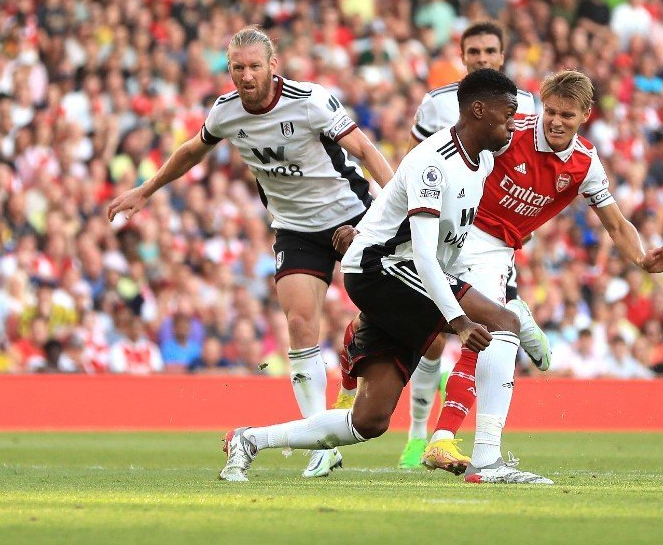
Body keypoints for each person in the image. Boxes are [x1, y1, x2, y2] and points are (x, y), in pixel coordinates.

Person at [340, 70, 663, 482]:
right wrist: (375, 226)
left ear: (585, 116)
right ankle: (479, 455)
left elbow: (616, 224)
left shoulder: (585, 165)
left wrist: (643, 260)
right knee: (494, 328)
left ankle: (470, 447)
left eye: (567, 115)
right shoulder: (508, 133)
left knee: (496, 332)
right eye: (550, 111)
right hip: (455, 232)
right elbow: (436, 166)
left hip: (494, 252)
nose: (555, 121)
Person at [109, 25, 393, 478]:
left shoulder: (310, 100)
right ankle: (321, 442)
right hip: (295, 229)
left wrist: (393, 208)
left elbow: (363, 149)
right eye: (237, 67)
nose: (245, 75)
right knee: (300, 323)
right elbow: (190, 151)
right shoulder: (225, 113)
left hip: (353, 217)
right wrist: (146, 190)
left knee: (389, 310)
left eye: (254, 66)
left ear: (272, 66)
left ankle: (356, 367)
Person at [219, 68, 522, 482]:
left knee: (370, 420)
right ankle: (489, 462)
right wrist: (459, 320)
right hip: (380, 269)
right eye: (509, 114)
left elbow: (435, 241)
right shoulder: (433, 163)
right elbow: (423, 256)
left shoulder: (483, 161)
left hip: (399, 270)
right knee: (504, 322)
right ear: (478, 110)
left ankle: (249, 440)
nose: (513, 123)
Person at [392, 20, 543, 471]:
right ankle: (421, 435)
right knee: (435, 337)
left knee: (485, 324)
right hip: (447, 225)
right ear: (462, 56)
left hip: (493, 230)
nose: (481, 57)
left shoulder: (527, 105)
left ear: (503, 54)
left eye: (489, 50)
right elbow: (419, 163)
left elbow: (528, 167)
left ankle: (451, 437)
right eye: (473, 51)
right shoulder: (438, 103)